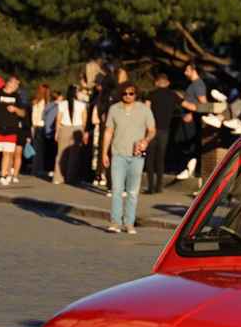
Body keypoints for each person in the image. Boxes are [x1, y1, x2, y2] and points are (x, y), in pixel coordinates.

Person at [102, 81, 156, 234]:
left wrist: (145, 140)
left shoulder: (144, 109)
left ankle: (129, 223)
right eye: (125, 93)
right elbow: (108, 132)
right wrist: (104, 153)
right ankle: (115, 222)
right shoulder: (114, 109)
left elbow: (152, 130)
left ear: (136, 94)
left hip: (137, 156)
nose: (128, 96)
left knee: (133, 192)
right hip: (118, 154)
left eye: (131, 93)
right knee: (117, 190)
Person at [0, 77, 26, 185]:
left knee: (7, 153)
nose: (17, 86)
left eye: (18, 85)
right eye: (16, 84)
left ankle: (3, 175)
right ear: (9, 83)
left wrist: (16, 109)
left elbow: (23, 113)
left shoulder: (17, 96)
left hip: (11, 129)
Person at [145, 71, 180, 195]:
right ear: (168, 83)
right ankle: (159, 186)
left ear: (157, 82)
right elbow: (185, 105)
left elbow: (146, 111)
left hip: (151, 130)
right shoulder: (173, 95)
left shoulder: (151, 94)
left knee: (150, 159)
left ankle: (150, 187)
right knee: (161, 159)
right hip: (165, 130)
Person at [54, 87, 89, 185]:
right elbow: (84, 120)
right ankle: (70, 177)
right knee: (74, 155)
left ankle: (58, 177)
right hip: (77, 129)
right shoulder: (82, 105)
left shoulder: (62, 104)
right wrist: (82, 131)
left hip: (64, 128)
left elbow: (58, 119)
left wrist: (57, 132)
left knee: (61, 153)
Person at [29, 84, 52, 178]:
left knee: (37, 148)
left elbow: (34, 116)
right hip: (41, 127)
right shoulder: (46, 103)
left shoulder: (37, 102)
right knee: (39, 149)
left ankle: (36, 168)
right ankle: (37, 168)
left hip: (37, 126)